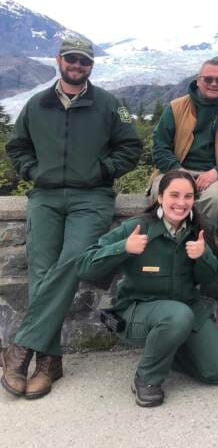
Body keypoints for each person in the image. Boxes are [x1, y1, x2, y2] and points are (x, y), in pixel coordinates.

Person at [2, 36, 142, 399]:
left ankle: (18, 350)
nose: (77, 66)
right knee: (42, 272)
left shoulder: (110, 105)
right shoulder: (36, 105)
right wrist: (34, 172)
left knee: (74, 262)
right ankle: (50, 361)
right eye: (71, 59)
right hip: (45, 196)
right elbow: (16, 146)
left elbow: (132, 147)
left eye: (83, 61)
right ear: (59, 60)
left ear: (91, 66)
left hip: (92, 197)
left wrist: (101, 171)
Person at [77, 170, 218, 407]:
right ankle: (147, 378)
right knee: (177, 315)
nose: (181, 203)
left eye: (188, 196)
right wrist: (123, 247)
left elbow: (208, 279)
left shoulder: (195, 231)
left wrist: (203, 257)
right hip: (138, 312)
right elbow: (85, 267)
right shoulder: (137, 227)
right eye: (174, 195)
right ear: (160, 197)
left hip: (186, 312)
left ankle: (165, 350)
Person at [150, 58, 218, 246]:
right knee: (163, 190)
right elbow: (159, 147)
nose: (214, 83)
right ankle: (165, 243)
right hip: (177, 169)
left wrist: (217, 172)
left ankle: (201, 244)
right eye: (208, 79)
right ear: (198, 81)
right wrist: (178, 172)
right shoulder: (175, 108)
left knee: (214, 198)